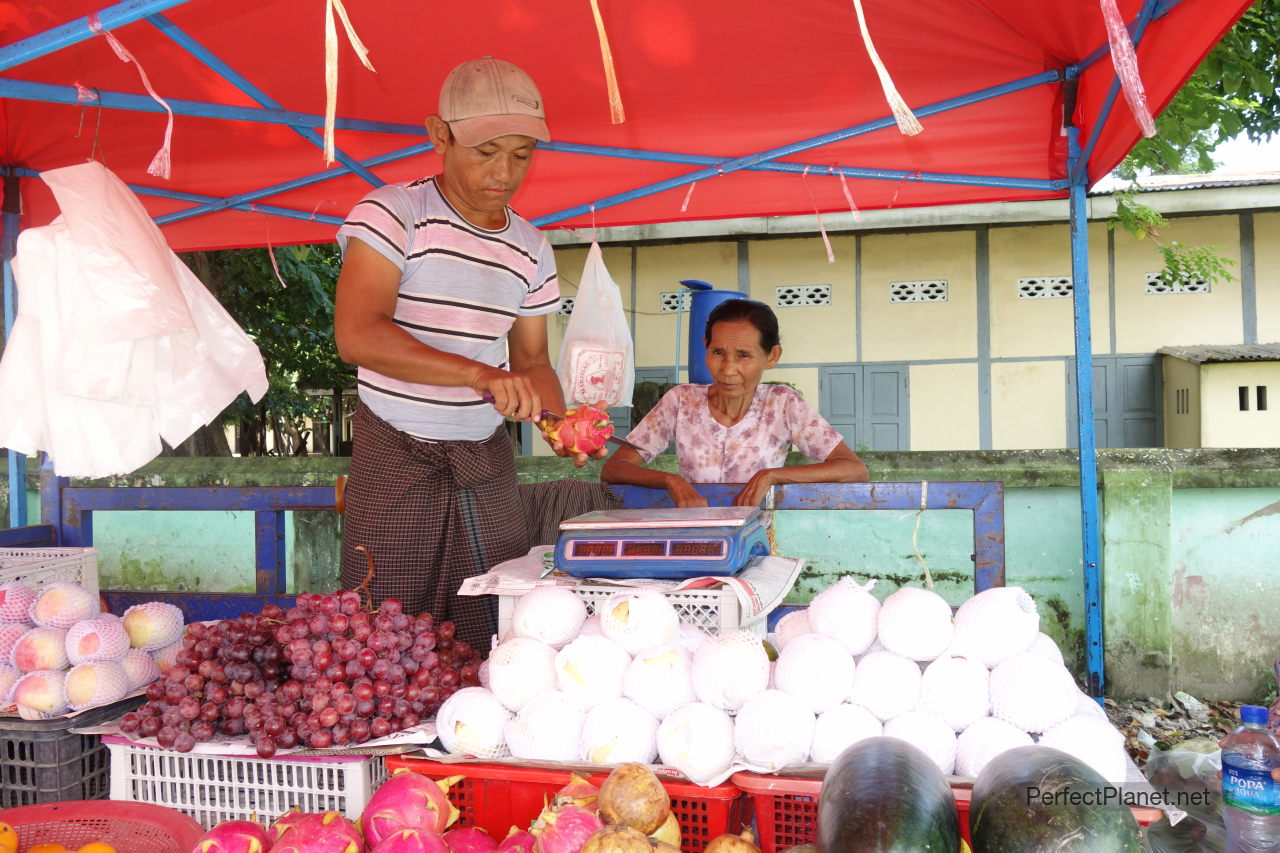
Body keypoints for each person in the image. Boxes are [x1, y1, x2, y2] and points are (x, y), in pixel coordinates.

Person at [333, 56, 604, 652]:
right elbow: (357, 333)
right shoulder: (392, 213)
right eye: (485, 152)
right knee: (383, 632)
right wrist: (481, 374)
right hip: (393, 450)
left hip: (485, 455)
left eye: (521, 154)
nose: (504, 173)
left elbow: (532, 359)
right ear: (439, 135)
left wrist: (558, 424)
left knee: (501, 619)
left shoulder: (532, 248)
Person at [601, 298, 868, 507]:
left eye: (743, 355)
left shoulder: (782, 403)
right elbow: (614, 469)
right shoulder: (681, 401)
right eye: (718, 352)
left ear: (772, 356)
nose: (727, 369)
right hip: (694, 533)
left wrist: (771, 476)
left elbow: (854, 470)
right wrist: (671, 481)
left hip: (758, 538)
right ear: (706, 346)